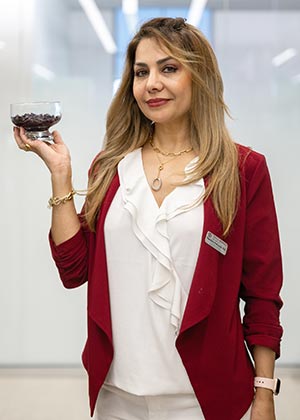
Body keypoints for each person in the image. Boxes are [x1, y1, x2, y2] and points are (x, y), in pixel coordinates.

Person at [14, 17, 283, 420]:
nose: (151, 83)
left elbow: (262, 294)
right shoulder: (112, 165)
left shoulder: (242, 169)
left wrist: (264, 393)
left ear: (200, 76)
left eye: (168, 68)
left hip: (205, 399)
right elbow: (74, 269)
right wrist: (60, 176)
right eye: (142, 72)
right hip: (117, 395)